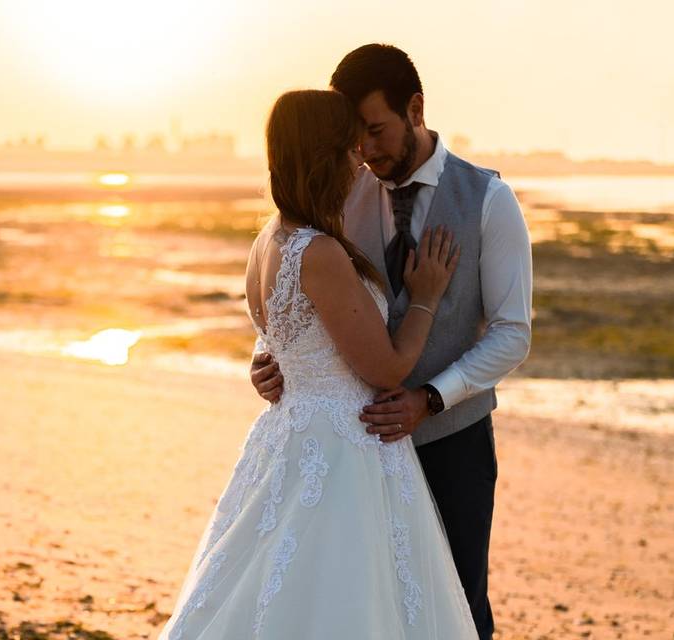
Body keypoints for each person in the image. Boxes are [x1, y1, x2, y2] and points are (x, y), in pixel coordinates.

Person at [159, 89, 478, 639]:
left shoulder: (267, 240)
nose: (359, 160)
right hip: (338, 452)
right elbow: (387, 370)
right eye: (348, 149)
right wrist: (425, 295)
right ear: (323, 157)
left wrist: (264, 365)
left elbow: (280, 341)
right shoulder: (320, 254)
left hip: (289, 438)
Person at [251, 44, 533, 640]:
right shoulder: (338, 193)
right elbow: (296, 297)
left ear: (416, 109)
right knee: (363, 611)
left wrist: (430, 397)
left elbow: (513, 334)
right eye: (356, 138)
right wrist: (267, 358)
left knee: (456, 606)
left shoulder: (489, 200)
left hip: (452, 441)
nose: (367, 151)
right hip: (355, 454)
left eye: (376, 131)